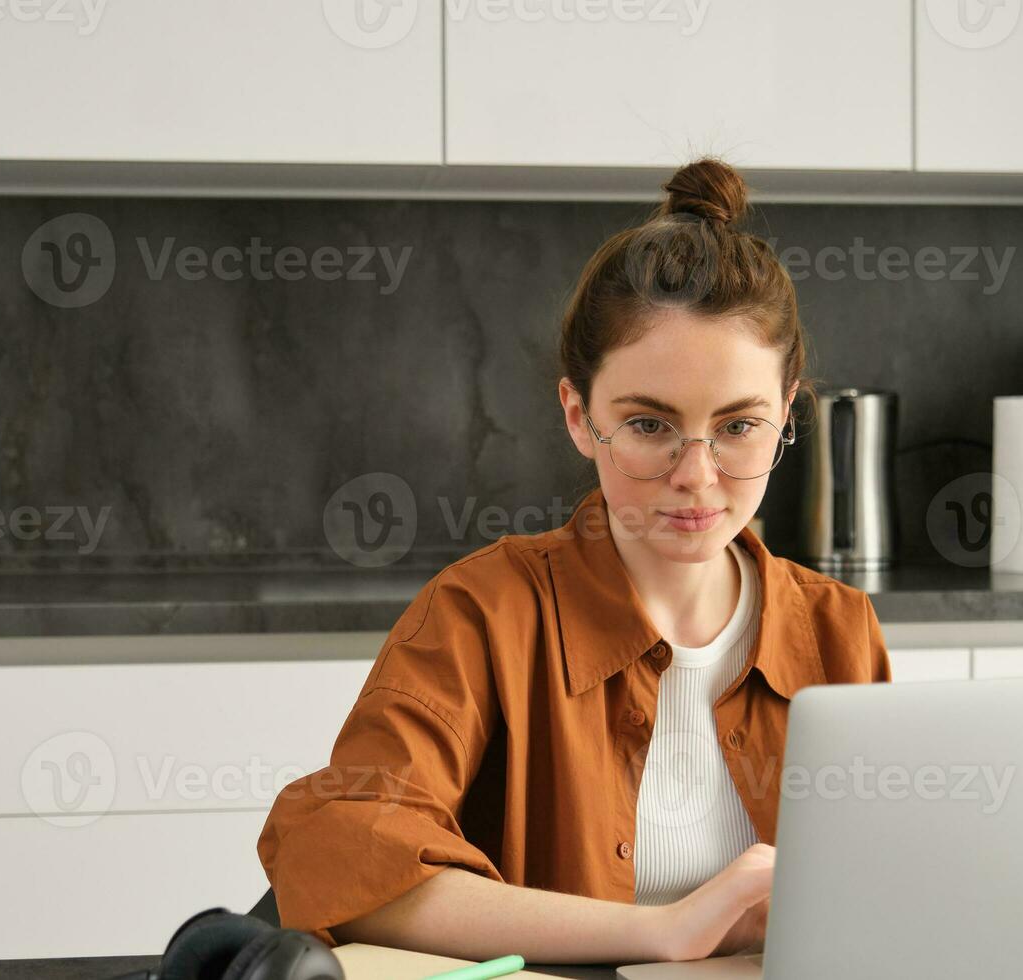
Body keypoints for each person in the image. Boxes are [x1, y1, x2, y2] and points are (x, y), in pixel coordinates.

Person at [257, 157, 891, 965]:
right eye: (649, 426)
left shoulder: (838, 629)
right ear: (578, 416)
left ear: (786, 411)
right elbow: (339, 851)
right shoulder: (482, 613)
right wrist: (664, 931)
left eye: (738, 426)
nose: (695, 477)